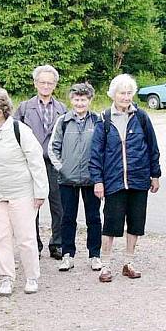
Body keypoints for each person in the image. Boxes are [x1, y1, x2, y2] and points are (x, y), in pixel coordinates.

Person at [0, 89, 48, 296]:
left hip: (20, 193)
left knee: (25, 237)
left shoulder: (20, 130)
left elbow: (36, 162)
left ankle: (32, 276)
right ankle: (6, 277)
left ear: (0, 111)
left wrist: (40, 192)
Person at [89, 74, 161, 283]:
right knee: (111, 223)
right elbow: (96, 154)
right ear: (113, 94)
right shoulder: (104, 119)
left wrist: (155, 175)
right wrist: (98, 180)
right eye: (122, 93)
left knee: (136, 222)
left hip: (139, 178)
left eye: (129, 93)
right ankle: (106, 265)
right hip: (114, 180)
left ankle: (129, 262)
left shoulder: (141, 117)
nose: (126, 97)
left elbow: (152, 147)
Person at [48, 82, 102, 272]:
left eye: (83, 99)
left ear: (89, 100)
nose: (80, 103)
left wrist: (99, 173)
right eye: (76, 99)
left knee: (93, 218)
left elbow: (103, 148)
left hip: (91, 178)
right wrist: (62, 168)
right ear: (71, 100)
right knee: (67, 218)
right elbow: (53, 147)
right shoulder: (63, 121)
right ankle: (67, 255)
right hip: (67, 180)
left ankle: (95, 255)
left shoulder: (97, 120)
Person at [14, 65, 66, 260]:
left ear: (55, 85)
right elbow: (14, 134)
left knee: (58, 205)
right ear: (35, 83)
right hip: (30, 164)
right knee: (31, 205)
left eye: (50, 83)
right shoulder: (24, 107)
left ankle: (57, 243)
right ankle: (33, 244)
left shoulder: (62, 108)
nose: (46, 85)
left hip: (54, 164)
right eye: (42, 82)